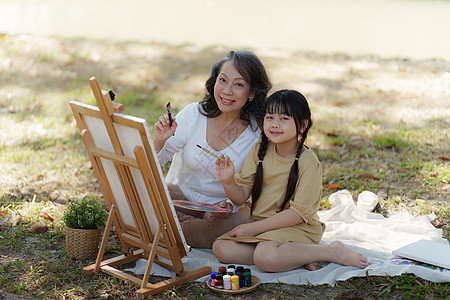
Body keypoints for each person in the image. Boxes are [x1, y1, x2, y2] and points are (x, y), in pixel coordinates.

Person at [213, 89, 370, 272]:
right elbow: (240, 197)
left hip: (296, 227)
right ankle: (298, 256)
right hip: (264, 227)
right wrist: (228, 180)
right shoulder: (259, 151)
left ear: (302, 125)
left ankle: (332, 251)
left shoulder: (308, 162)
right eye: (270, 117)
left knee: (265, 256)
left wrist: (254, 228)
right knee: (221, 247)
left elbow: (298, 214)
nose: (275, 124)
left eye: (284, 119)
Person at [154, 50, 272, 248]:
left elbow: (253, 186)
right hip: (179, 197)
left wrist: (231, 205)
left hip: (221, 212)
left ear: (252, 93)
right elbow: (153, 165)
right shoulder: (194, 114)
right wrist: (159, 141)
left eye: (239, 84)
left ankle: (161, 228)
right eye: (223, 80)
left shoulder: (258, 133)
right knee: (144, 194)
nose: (227, 91)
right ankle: (172, 227)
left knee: (230, 226)